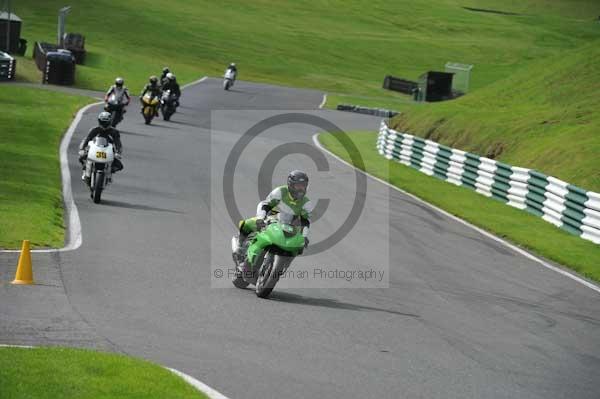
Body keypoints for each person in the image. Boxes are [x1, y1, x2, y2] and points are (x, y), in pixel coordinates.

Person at [237, 170, 312, 273]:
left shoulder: (306, 203)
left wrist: (304, 236)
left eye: (303, 186)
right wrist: (260, 218)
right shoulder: (280, 192)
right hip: (270, 218)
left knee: (298, 246)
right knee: (249, 223)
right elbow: (265, 205)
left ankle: (282, 268)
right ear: (291, 185)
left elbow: (306, 221)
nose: (301, 189)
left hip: (288, 227)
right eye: (298, 186)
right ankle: (240, 246)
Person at [78, 112, 123, 182]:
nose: (104, 124)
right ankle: (85, 171)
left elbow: (118, 143)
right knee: (81, 158)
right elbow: (87, 139)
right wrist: (82, 149)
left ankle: (109, 173)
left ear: (110, 122)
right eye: (102, 122)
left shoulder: (114, 132)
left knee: (119, 166)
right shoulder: (94, 130)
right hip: (95, 150)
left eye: (106, 122)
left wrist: (118, 152)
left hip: (108, 152)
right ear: (99, 121)